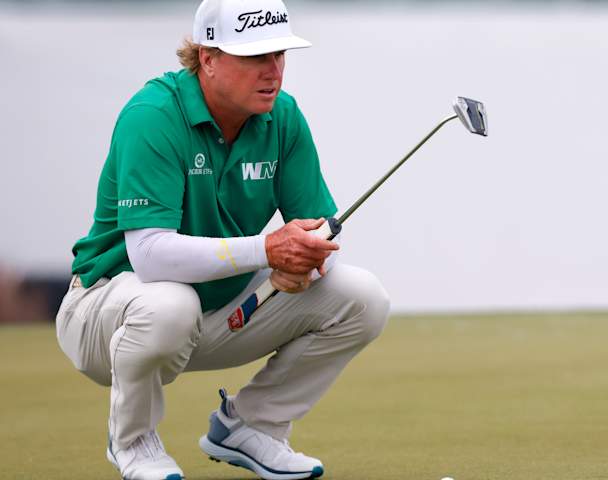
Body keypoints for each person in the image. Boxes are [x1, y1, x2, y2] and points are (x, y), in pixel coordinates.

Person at [55, 0, 390, 479]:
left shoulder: (284, 118)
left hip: (216, 317)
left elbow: (314, 235)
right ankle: (132, 442)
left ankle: (251, 427)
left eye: (279, 56)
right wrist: (267, 250)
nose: (272, 71)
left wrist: (304, 260)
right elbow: (148, 256)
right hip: (104, 316)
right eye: (255, 57)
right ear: (207, 58)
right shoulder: (152, 115)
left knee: (362, 298)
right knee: (169, 304)